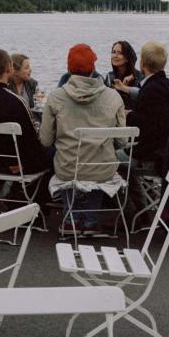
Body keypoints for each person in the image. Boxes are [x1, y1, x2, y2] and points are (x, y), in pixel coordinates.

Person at [40, 44, 129, 235]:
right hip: (102, 167)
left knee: (68, 159)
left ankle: (70, 219)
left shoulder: (56, 97)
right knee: (97, 162)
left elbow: (46, 140)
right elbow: (122, 141)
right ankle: (90, 221)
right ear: (93, 68)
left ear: (68, 68)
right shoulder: (113, 97)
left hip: (68, 166)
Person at [126, 41, 169, 174]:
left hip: (154, 156)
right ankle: (138, 193)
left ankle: (133, 193)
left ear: (142, 63)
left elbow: (149, 127)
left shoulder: (152, 90)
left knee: (113, 158)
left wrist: (128, 115)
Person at [106, 41, 144, 108]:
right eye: (113, 52)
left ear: (127, 58)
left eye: (120, 53)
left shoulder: (139, 77)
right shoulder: (109, 77)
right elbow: (107, 102)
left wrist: (125, 88)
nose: (115, 56)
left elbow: (142, 100)